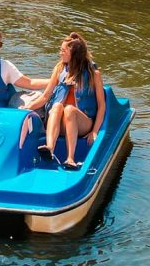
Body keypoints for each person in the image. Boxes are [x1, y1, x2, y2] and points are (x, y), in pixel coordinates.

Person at [22, 32, 106, 171]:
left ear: (74, 55)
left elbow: (102, 105)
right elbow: (45, 97)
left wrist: (95, 131)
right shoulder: (59, 69)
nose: (60, 53)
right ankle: (50, 147)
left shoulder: (93, 74)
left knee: (70, 110)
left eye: (63, 51)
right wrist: (27, 108)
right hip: (60, 123)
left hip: (83, 123)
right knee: (56, 106)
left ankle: (70, 159)